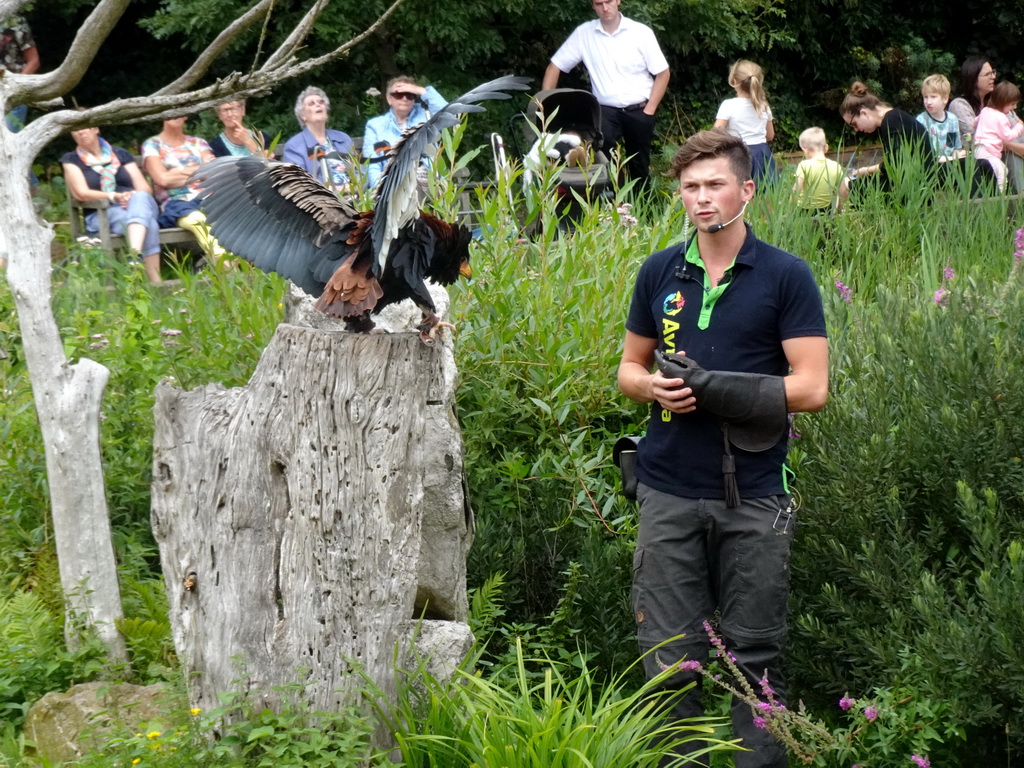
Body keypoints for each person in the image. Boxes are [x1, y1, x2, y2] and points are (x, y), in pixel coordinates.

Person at [618, 129, 828, 768]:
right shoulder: (660, 270)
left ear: (747, 189)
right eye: (690, 187)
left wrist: (717, 390)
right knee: (669, 662)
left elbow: (813, 388)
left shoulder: (786, 276)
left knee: (755, 656)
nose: (702, 199)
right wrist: (654, 386)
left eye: (714, 185)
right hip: (667, 489)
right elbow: (627, 368)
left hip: (756, 493)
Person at [542, 0, 669, 189]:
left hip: (640, 109)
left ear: (618, 1)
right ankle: (611, 207)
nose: (605, 8)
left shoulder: (640, 32)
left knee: (639, 163)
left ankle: (644, 212)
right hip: (605, 111)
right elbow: (555, 66)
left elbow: (663, 73)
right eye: (598, 3)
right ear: (593, 6)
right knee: (603, 159)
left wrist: (649, 110)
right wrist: (545, 107)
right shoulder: (584, 34)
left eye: (608, 1)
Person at [62, 126, 164, 284]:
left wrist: (130, 196)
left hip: (135, 205)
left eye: (84, 127)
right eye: (75, 130)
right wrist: (113, 196)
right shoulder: (71, 159)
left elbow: (143, 187)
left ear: (95, 129)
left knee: (141, 196)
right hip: (102, 212)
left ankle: (134, 256)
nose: (80, 132)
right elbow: (81, 193)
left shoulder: (119, 153)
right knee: (148, 224)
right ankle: (156, 282)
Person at [142, 116, 226, 265]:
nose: (174, 115)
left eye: (179, 111)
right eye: (169, 111)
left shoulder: (199, 143)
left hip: (208, 198)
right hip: (176, 204)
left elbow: (212, 171)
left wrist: (177, 171)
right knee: (199, 221)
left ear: (186, 115)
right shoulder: (152, 145)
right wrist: (198, 173)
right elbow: (162, 180)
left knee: (235, 217)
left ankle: (222, 267)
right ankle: (224, 264)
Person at [840, 81, 936, 196]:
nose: (856, 129)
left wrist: (866, 171)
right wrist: (865, 170)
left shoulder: (892, 122)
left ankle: (843, 214)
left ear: (864, 113)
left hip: (913, 188)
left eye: (854, 124)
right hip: (918, 183)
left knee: (845, 185)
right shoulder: (893, 118)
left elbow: (894, 167)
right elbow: (895, 163)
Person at [948, 56, 1024, 192]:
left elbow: (1018, 125)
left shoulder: (997, 102)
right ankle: (1020, 199)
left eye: (993, 72)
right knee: (1014, 148)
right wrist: (1012, 146)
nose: (993, 77)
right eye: (988, 74)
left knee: (1018, 139)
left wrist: (1013, 144)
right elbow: (975, 137)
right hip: (977, 154)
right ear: (973, 78)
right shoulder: (960, 104)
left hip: (997, 150)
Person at [362, 76, 447, 190]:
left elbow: (449, 114)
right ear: (389, 98)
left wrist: (421, 90)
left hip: (428, 183)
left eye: (410, 95)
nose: (405, 99)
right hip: (394, 186)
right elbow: (371, 163)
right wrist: (380, 190)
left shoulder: (426, 115)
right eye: (399, 95)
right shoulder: (375, 125)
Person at [713, 60, 778, 187]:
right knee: (766, 196)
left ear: (734, 81)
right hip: (761, 154)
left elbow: (716, 133)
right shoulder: (763, 105)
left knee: (740, 192)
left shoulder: (728, 105)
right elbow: (770, 136)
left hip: (738, 153)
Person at [282, 86, 354, 192]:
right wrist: (337, 190)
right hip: (321, 204)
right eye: (311, 103)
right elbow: (299, 186)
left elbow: (360, 173)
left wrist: (355, 189)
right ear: (303, 116)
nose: (318, 104)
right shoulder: (294, 147)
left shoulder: (343, 139)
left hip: (355, 199)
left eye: (321, 102)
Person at [973, 81, 1024, 192]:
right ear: (1002, 101)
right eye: (1012, 104)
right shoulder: (1001, 117)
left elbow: (974, 122)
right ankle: (1000, 198)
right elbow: (1008, 136)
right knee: (1001, 174)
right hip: (989, 151)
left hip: (979, 149)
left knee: (1003, 170)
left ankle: (994, 193)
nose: (1015, 107)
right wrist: (1019, 126)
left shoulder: (985, 110)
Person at [792, 127, 847, 214]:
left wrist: (790, 209)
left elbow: (797, 189)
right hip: (826, 210)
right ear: (826, 147)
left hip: (804, 210)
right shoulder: (836, 166)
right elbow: (843, 191)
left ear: (804, 150)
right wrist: (841, 209)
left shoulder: (804, 165)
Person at [1, 14, 40, 133]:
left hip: (12, 96)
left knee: (9, 147)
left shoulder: (15, 21)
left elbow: (34, 61)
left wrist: (14, 86)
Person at [916, 74, 964, 160]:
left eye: (933, 97)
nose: (928, 102)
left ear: (945, 99)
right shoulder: (921, 120)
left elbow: (955, 147)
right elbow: (924, 155)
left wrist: (957, 155)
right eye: (925, 97)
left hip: (950, 164)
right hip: (932, 164)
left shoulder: (952, 119)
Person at [208, 99, 272, 158]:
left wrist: (248, 141)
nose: (229, 114)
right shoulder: (216, 145)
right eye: (225, 110)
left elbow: (268, 165)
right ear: (219, 115)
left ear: (242, 110)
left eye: (233, 109)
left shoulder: (260, 137)